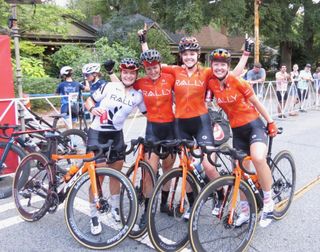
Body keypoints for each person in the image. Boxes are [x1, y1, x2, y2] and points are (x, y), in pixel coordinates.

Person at [138, 29, 253, 219]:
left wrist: (246, 55)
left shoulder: (207, 72)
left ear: (197, 55)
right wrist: (144, 42)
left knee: (208, 165)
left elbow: (232, 75)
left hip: (201, 123)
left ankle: (219, 193)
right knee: (187, 166)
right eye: (185, 54)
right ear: (181, 56)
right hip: (181, 124)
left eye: (192, 54)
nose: (189, 57)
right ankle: (192, 204)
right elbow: (153, 63)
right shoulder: (175, 71)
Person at [207, 48, 278, 228]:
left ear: (228, 67)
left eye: (223, 65)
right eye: (216, 64)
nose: (219, 68)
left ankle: (269, 202)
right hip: (237, 131)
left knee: (258, 157)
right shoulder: (213, 85)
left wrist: (270, 122)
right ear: (212, 66)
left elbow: (256, 102)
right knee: (239, 172)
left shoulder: (239, 82)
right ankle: (246, 211)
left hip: (254, 125)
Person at [84, 58, 147, 235]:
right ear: (121, 73)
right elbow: (89, 100)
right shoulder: (109, 87)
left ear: (136, 75)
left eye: (132, 73)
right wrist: (91, 109)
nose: (128, 75)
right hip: (98, 134)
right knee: (98, 177)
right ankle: (94, 215)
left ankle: (114, 209)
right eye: (125, 72)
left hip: (116, 136)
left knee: (116, 176)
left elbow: (149, 113)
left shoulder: (137, 95)